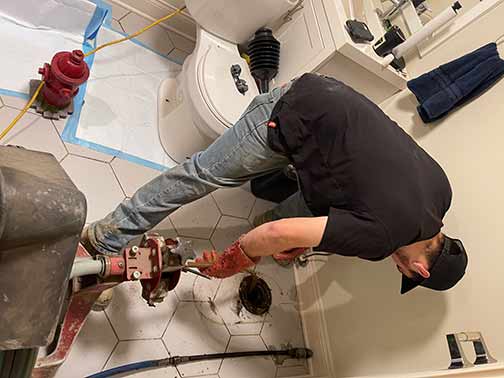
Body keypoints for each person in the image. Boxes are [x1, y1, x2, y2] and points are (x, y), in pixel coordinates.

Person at [82, 73, 468, 297]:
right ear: (420, 269)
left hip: (328, 99)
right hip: (290, 113)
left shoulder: (441, 193)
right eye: (402, 271)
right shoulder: (383, 237)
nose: (394, 266)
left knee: (312, 217)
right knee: (201, 174)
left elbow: (374, 168)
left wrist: (292, 237)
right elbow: (281, 231)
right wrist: (236, 259)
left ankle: (263, 228)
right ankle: (104, 238)